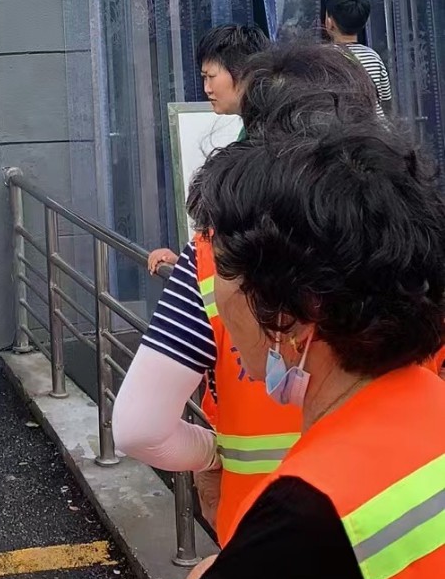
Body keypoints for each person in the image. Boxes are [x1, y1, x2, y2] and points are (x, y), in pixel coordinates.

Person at [131, 122, 445, 579]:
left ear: (294, 313)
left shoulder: (303, 512)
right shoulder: (430, 404)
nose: (216, 301)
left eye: (222, 271)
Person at [114, 42, 380, 543]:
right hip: (405, 530)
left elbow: (137, 427)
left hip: (263, 532)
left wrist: (213, 455)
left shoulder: (214, 253)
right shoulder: (412, 244)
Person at [146, 25, 268, 276]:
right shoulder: (256, 125)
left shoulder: (269, 138)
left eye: (210, 76)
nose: (207, 89)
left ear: (243, 73)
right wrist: (190, 262)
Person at [324, 0, 392, 118]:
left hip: (347, 128)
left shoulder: (323, 57)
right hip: (375, 127)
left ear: (329, 23)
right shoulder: (373, 56)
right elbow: (385, 99)